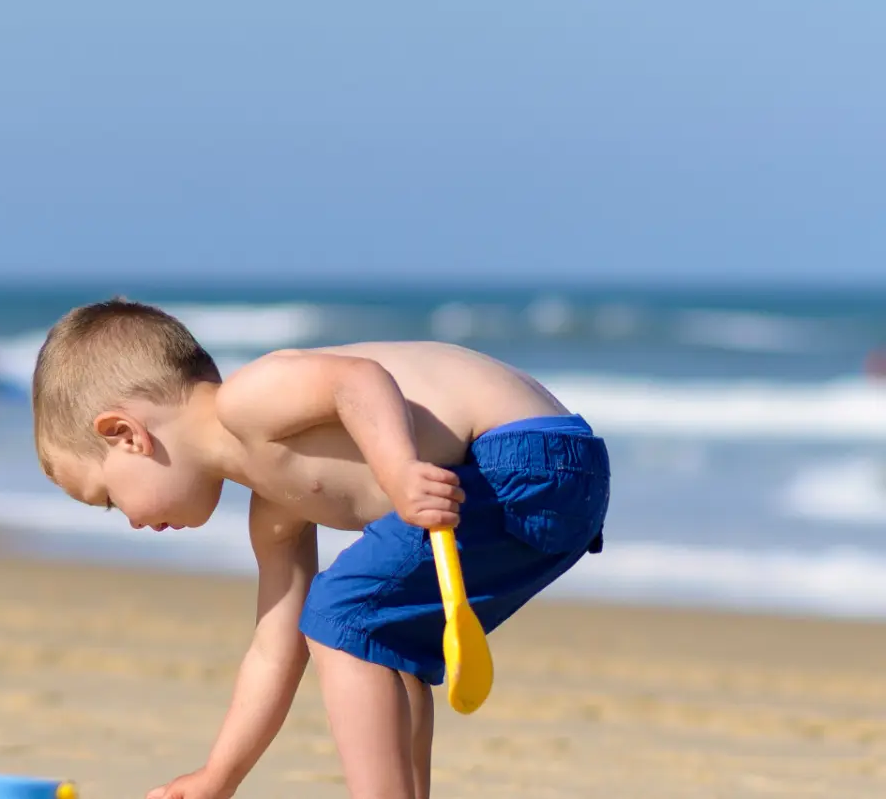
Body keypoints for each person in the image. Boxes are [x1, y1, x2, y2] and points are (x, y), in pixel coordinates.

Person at [30, 298, 609, 799]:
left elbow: (356, 380)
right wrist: (218, 777)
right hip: (556, 482)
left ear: (126, 435)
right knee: (383, 644)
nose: (129, 521)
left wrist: (400, 470)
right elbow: (274, 649)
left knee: (342, 612)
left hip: (523, 458)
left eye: (108, 497)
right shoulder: (276, 507)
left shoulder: (247, 402)